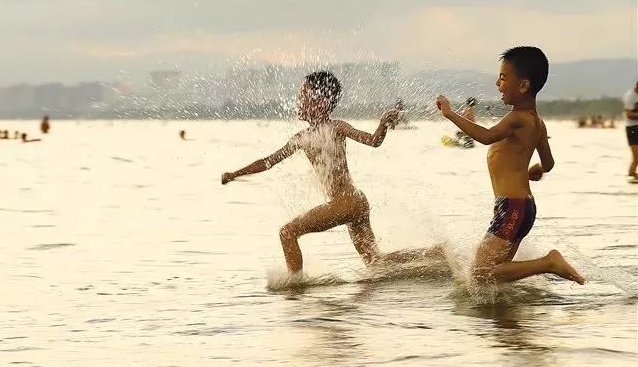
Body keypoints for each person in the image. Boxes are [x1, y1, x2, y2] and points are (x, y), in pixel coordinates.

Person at [221, 71, 439, 273]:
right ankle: (436, 254)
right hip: (355, 201)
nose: (299, 101)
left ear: (322, 102)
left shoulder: (335, 127)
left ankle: (294, 287)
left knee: (287, 233)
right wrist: (235, 174)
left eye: (304, 96)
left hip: (346, 202)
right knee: (376, 262)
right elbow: (268, 162)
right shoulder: (302, 137)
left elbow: (373, 141)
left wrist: (383, 124)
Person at [435, 46, 584, 285]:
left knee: (480, 274)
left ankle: (548, 263)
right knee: (493, 277)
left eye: (503, 78)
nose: (497, 84)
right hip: (521, 207)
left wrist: (451, 114)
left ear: (523, 86)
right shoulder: (537, 123)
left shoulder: (517, 118)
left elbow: (486, 136)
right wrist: (535, 170)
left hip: (513, 207)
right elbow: (549, 163)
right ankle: (511, 309)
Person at [623, 81, 638, 180]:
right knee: (636, 155)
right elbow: (629, 114)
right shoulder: (630, 96)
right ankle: (631, 174)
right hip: (632, 128)